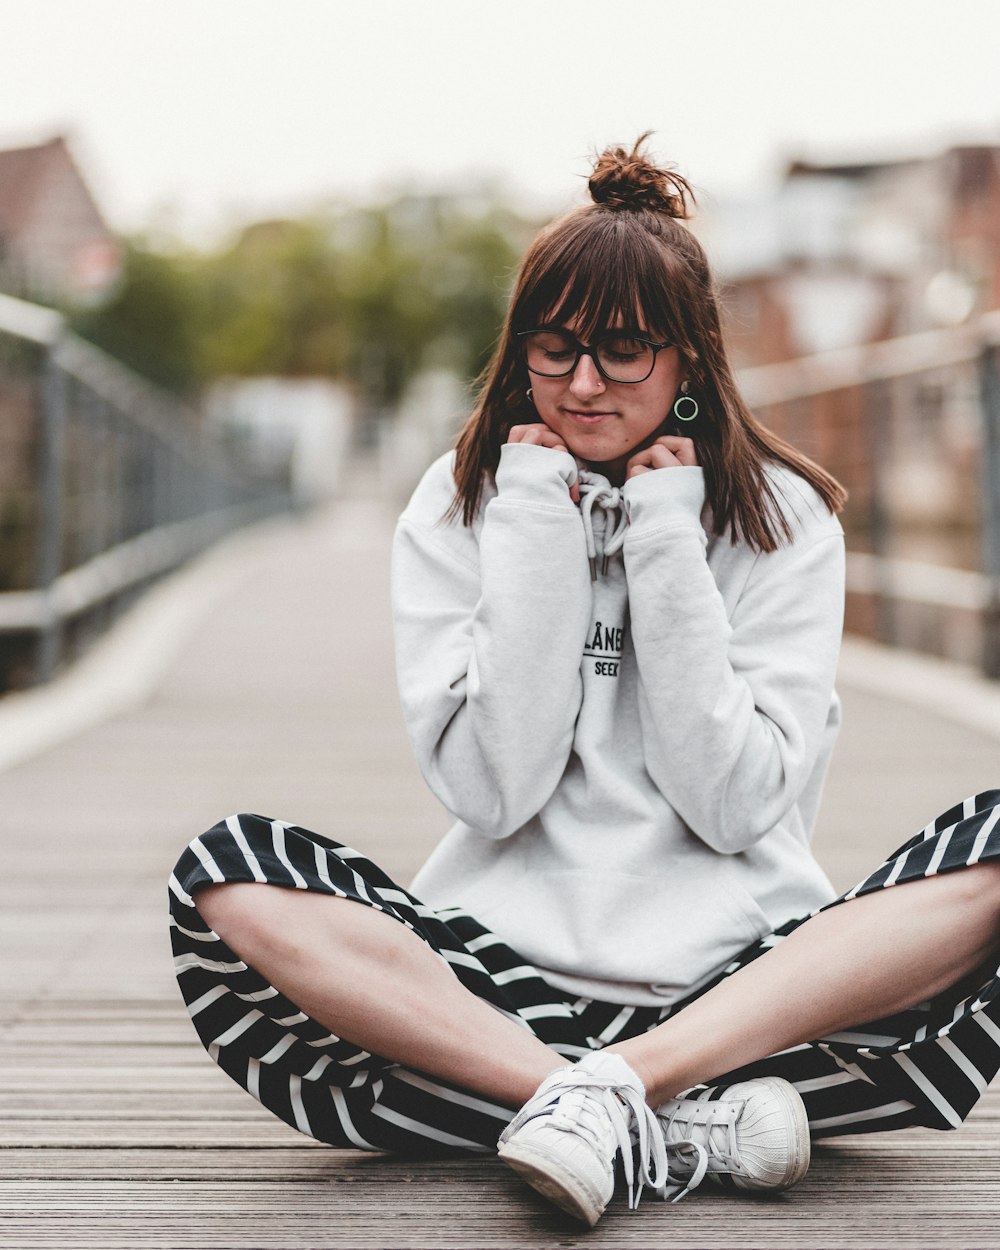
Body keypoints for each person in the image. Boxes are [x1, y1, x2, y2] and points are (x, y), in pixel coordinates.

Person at [169, 137, 1000, 1229]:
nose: (581, 385)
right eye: (552, 353)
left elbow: (734, 802)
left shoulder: (784, 518)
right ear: (519, 353)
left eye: (621, 354)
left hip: (740, 984)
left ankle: (601, 1094)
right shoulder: (459, 505)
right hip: (492, 979)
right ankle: (670, 1118)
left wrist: (663, 537)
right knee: (224, 875)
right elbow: (494, 788)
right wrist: (532, 523)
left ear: (690, 359)